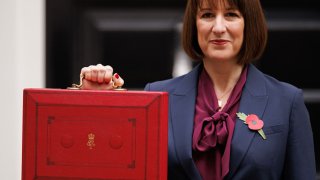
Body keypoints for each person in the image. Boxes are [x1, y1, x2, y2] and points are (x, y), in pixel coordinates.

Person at [79, 0, 316, 179]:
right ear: (194, 24)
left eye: (231, 15)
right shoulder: (158, 97)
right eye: (208, 15)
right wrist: (96, 104)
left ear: (249, 24)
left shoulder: (287, 101)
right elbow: (115, 167)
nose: (219, 27)